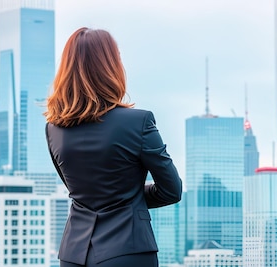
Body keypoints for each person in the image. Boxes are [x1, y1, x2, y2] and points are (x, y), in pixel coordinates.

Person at [44, 27, 182, 267]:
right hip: (128, 251)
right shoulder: (138, 122)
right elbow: (171, 190)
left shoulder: (54, 129)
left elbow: (80, 192)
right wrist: (131, 197)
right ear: (111, 67)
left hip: (73, 255)